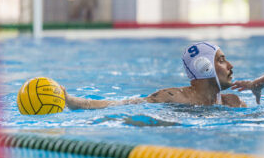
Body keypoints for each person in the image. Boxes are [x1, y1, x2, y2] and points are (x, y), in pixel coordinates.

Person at [63, 42, 247, 109]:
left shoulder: (233, 102)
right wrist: (73, 101)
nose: (231, 66)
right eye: (222, 60)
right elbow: (118, 106)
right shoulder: (172, 97)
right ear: (204, 67)